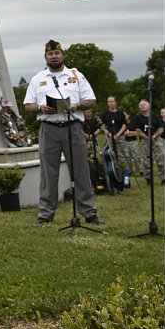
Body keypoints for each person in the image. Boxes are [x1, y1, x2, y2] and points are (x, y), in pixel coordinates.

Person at [24, 40, 101, 225]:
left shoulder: (75, 75)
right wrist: (41, 108)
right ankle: (45, 214)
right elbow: (28, 105)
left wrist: (76, 105)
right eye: (50, 54)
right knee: (48, 173)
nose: (54, 56)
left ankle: (89, 213)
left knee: (81, 171)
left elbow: (90, 100)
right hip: (48, 129)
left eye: (57, 53)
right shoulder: (38, 79)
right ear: (45, 57)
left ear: (62, 55)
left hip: (73, 127)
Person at [128, 100, 165, 184]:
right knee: (146, 160)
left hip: (157, 140)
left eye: (144, 104)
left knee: (161, 159)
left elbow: (161, 128)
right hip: (145, 140)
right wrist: (146, 137)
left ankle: (163, 178)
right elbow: (138, 130)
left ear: (148, 106)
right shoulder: (138, 118)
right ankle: (148, 178)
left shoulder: (155, 117)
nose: (142, 106)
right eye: (140, 105)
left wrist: (154, 136)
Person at [99, 96, 132, 177]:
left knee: (123, 156)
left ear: (115, 102)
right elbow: (102, 126)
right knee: (109, 154)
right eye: (108, 101)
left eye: (112, 101)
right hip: (109, 137)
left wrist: (117, 135)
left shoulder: (120, 114)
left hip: (120, 137)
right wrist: (109, 134)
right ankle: (112, 172)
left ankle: (125, 174)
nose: (110, 103)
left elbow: (124, 125)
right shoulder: (104, 114)